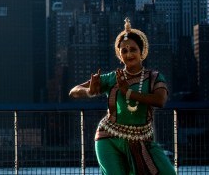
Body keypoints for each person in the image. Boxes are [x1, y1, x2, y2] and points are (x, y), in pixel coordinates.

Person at [69, 18, 175, 175]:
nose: (129, 54)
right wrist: (90, 91)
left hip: (143, 140)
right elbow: (74, 91)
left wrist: (128, 92)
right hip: (109, 138)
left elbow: (160, 100)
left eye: (133, 49)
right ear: (120, 55)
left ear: (142, 52)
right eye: (124, 51)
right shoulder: (113, 78)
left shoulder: (154, 77)